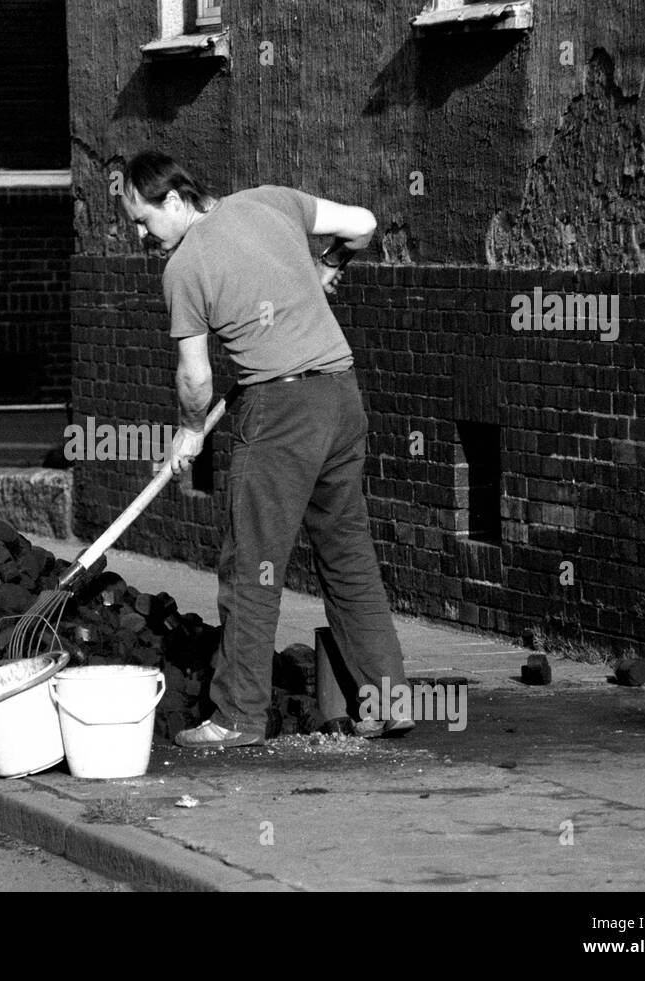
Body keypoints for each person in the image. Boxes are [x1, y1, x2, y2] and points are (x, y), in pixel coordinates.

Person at [118, 150, 412, 747]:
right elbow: (363, 223)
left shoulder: (184, 268)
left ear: (174, 202)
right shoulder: (271, 201)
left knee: (252, 565)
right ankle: (389, 700)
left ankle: (238, 717)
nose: (142, 237)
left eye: (144, 221)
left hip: (279, 415)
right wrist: (329, 264)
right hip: (340, 395)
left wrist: (189, 430)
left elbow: (196, 379)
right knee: (348, 555)